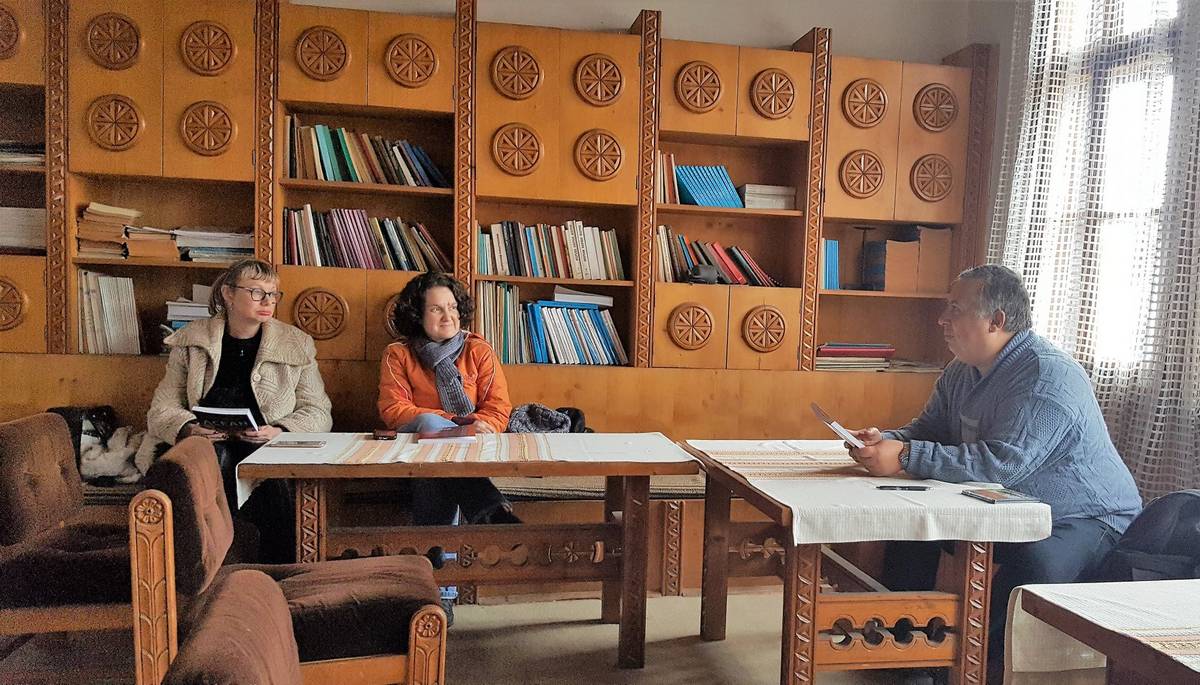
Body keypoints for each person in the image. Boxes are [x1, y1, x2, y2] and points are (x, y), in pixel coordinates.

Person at [847, 264, 1142, 685]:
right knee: (912, 528)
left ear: (996, 320)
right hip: (1008, 504)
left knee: (1033, 566)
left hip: (1086, 515)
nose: (942, 319)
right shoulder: (961, 369)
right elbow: (929, 430)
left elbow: (1001, 465)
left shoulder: (1045, 375)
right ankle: (906, 652)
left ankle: (970, 667)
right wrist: (885, 441)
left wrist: (907, 455)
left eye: (955, 309)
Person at [145, 259, 332, 562]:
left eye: (273, 294)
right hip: (204, 442)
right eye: (257, 292)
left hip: (266, 445)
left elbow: (319, 411)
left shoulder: (296, 343)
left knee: (273, 476)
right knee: (206, 463)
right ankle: (208, 568)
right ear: (228, 293)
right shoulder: (192, 340)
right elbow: (161, 408)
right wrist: (188, 428)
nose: (267, 302)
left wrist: (280, 431)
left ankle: (280, 570)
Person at [377, 271, 519, 526]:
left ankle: (436, 547)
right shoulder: (398, 354)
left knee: (433, 470)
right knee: (430, 424)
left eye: (452, 307)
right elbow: (393, 409)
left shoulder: (478, 350)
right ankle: (492, 511)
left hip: (473, 447)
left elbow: (498, 408)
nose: (448, 316)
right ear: (417, 314)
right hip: (412, 446)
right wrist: (457, 423)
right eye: (436, 309)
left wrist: (476, 430)